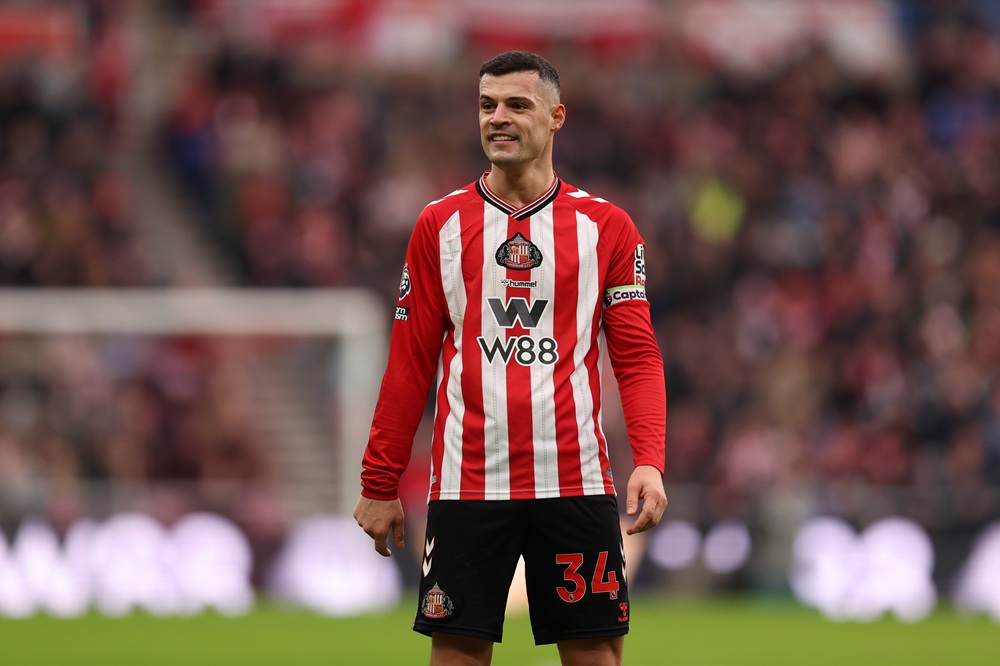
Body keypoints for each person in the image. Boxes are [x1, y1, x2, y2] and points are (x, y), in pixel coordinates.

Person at [354, 50, 667, 666]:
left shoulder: (607, 228)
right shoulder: (438, 226)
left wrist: (650, 459)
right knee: (456, 656)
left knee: (596, 656)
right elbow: (409, 364)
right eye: (487, 105)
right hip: (469, 486)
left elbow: (636, 356)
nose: (498, 117)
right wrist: (379, 480)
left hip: (575, 480)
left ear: (556, 117)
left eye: (517, 105)